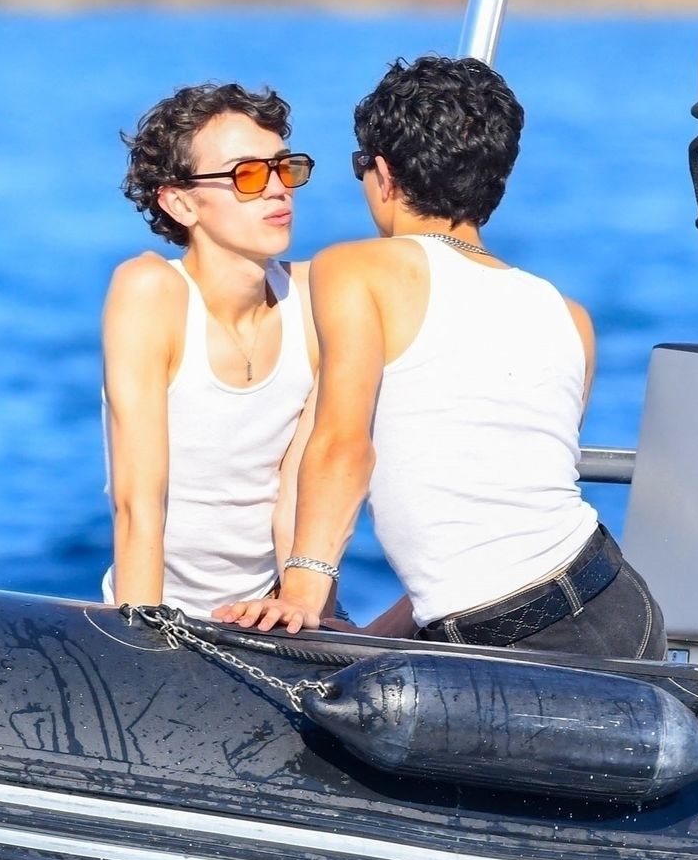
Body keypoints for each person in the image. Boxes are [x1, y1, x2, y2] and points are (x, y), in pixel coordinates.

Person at [218, 56, 666, 659]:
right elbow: (480, 524)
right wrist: (373, 640)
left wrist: (302, 593)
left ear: (383, 173)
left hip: (524, 639)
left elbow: (343, 444)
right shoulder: (570, 317)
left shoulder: (354, 269)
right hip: (617, 607)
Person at [103, 82, 320, 618]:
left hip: (264, 616)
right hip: (157, 611)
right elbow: (138, 504)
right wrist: (141, 640)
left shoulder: (313, 300)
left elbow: (297, 496)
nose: (278, 190)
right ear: (180, 202)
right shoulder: (151, 291)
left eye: (284, 168)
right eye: (247, 175)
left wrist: (300, 612)